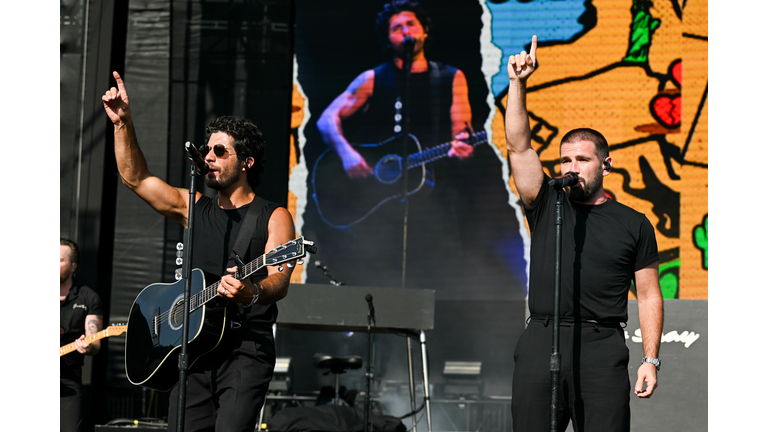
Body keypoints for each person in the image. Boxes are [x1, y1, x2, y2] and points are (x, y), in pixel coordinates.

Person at [102, 71, 297, 431]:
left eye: (220, 151)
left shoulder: (273, 216)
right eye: (207, 149)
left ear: (246, 162)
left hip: (244, 350)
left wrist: (252, 292)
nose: (209, 156)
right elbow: (136, 178)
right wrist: (122, 124)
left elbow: (279, 281)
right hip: (192, 352)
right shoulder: (193, 206)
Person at [313, 0, 526, 297]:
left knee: (433, 284)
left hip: (433, 202)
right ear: (388, 38)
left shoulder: (450, 77)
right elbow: (326, 120)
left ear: (425, 31)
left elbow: (460, 133)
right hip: (379, 207)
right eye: (396, 28)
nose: (405, 32)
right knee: (375, 280)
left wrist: (462, 148)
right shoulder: (373, 78)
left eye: (411, 25)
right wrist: (348, 155)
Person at [504, 35, 664, 431]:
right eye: (564, 159)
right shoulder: (546, 202)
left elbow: (647, 293)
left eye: (582, 159)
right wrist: (519, 84)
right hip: (541, 337)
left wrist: (650, 358)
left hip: (601, 345)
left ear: (605, 165)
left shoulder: (633, 223)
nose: (570, 166)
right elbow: (519, 146)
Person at [60, 238, 104, 432]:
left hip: (68, 378)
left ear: (73, 266)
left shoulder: (88, 297)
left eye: (59, 260)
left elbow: (95, 344)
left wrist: (88, 345)